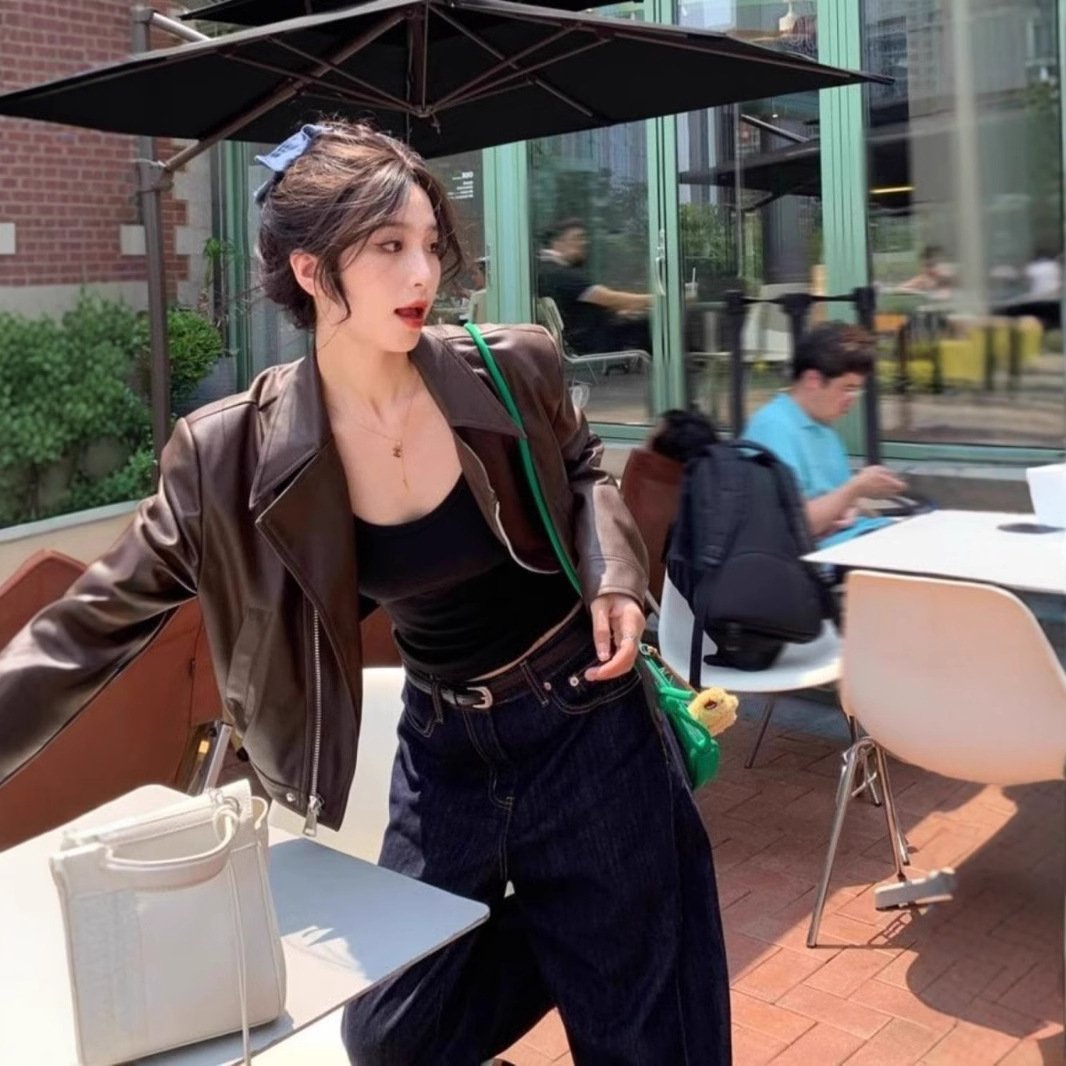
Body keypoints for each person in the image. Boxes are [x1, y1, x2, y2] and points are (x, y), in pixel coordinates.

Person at [0, 121, 730, 1065]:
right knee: (394, 1036)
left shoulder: (513, 367)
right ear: (312, 271)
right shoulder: (229, 455)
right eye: (389, 246)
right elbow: (86, 627)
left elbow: (585, 469)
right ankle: (582, 928)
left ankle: (606, 927)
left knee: (646, 1040)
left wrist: (616, 576)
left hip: (586, 717)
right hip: (445, 746)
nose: (423, 273)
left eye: (429, 243)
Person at [745, 322, 907, 548]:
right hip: (817, 558)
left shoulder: (821, 425)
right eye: (847, 388)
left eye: (856, 390)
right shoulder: (773, 428)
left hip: (847, 540)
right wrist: (856, 488)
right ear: (813, 380)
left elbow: (832, 500)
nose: (852, 399)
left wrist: (851, 505)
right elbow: (795, 526)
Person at [536, 218, 653, 355]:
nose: (584, 243)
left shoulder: (548, 270)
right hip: (591, 348)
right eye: (577, 238)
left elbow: (579, 310)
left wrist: (618, 312)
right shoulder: (560, 274)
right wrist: (655, 299)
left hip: (588, 340)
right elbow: (611, 298)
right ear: (558, 242)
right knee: (648, 325)